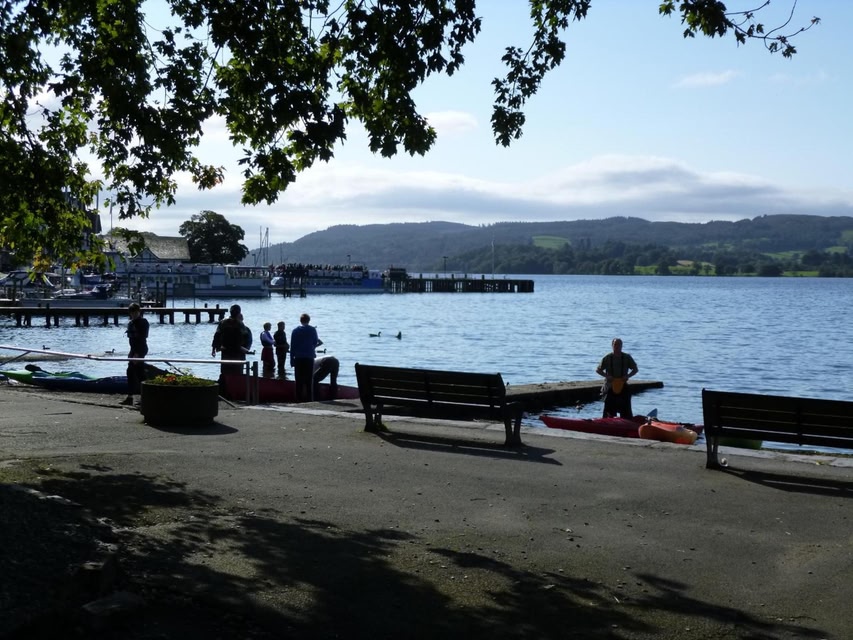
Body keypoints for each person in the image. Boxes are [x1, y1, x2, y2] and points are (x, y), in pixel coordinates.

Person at [596, 337, 639, 419]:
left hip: (623, 384)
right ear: (612, 345)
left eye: (619, 345)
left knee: (626, 409)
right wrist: (607, 376)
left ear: (621, 346)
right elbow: (598, 370)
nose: (617, 346)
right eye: (615, 344)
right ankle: (607, 421)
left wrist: (628, 376)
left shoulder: (627, 357)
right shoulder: (607, 357)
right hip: (610, 385)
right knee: (609, 410)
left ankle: (627, 421)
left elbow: (635, 369)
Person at [120, 302, 149, 406]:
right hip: (133, 349)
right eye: (132, 312)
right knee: (131, 372)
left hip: (140, 349)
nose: (134, 314)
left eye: (136, 312)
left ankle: (144, 397)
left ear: (139, 312)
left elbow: (142, 337)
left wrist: (137, 353)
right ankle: (131, 397)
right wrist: (132, 352)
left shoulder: (143, 322)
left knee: (139, 373)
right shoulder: (131, 322)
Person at [290, 313, 322, 402]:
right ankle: (309, 399)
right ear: (309, 320)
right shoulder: (312, 330)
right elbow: (315, 342)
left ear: (300, 320)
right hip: (309, 357)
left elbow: (292, 346)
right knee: (309, 380)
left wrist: (291, 359)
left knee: (298, 380)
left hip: (298, 357)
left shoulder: (295, 331)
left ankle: (298, 399)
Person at [211, 304, 249, 379]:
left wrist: (214, 348)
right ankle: (235, 383)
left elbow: (216, 335)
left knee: (225, 369)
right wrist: (245, 348)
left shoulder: (223, 322)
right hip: (237, 350)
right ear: (239, 313)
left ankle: (224, 383)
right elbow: (246, 336)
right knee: (237, 371)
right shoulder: (240, 323)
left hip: (225, 349)